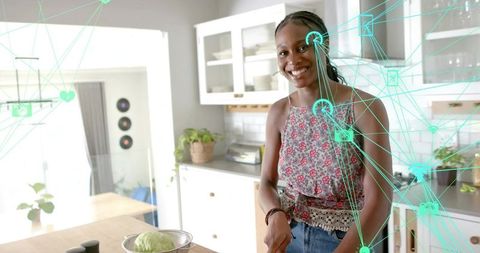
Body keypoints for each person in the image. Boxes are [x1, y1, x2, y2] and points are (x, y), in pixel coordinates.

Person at [259, 11, 393, 253]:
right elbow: (267, 183)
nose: (293, 59)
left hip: (347, 241)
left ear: (324, 45)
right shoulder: (279, 112)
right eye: (283, 52)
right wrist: (275, 213)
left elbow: (380, 200)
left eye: (302, 47)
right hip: (290, 237)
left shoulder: (364, 107)